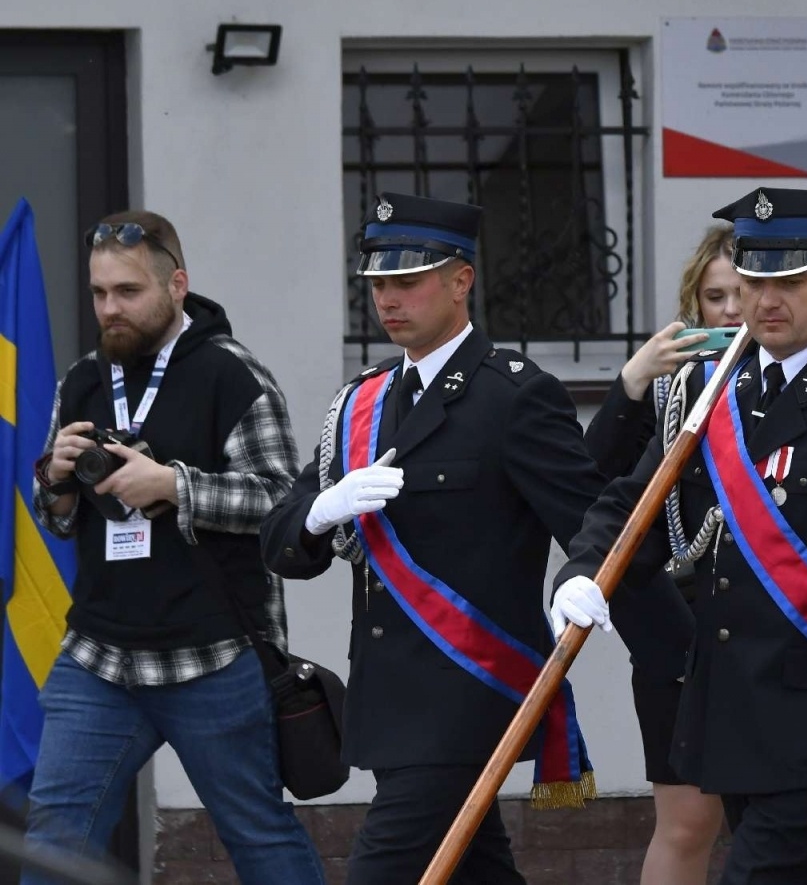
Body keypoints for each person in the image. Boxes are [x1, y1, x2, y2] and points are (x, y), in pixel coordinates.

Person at [258, 193, 691, 885]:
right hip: (388, 704)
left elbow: (594, 522)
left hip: (468, 694)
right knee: (475, 870)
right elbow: (279, 537)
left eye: (408, 281)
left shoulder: (513, 395)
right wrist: (321, 511)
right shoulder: (360, 402)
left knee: (385, 871)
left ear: (461, 281)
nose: (388, 300)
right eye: (377, 286)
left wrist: (675, 652)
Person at [550, 187, 807, 885]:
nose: (766, 299)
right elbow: (633, 501)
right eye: (756, 280)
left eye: (790, 280)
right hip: (728, 707)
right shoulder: (711, 395)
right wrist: (584, 569)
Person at [27, 211, 323, 885]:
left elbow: (285, 504)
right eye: (100, 293)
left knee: (258, 837)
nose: (110, 309)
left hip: (212, 657)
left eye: (128, 292)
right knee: (53, 842)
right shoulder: (83, 378)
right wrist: (59, 480)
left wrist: (174, 485)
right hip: (99, 660)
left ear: (177, 284)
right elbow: (59, 518)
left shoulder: (234, 376)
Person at [583, 223, 741, 885]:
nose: (732, 311)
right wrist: (631, 383)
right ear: (693, 307)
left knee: (778, 822)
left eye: (743, 292)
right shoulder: (676, 391)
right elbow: (594, 482)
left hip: (775, 625)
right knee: (685, 824)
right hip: (681, 632)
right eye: (715, 297)